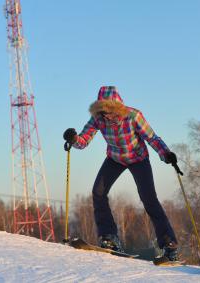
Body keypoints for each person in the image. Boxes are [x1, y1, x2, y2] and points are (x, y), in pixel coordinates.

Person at [63, 86, 178, 261]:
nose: (107, 116)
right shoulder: (97, 119)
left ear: (117, 108)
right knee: (98, 192)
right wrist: (74, 140)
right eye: (103, 112)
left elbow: (152, 138)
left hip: (138, 158)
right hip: (115, 158)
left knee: (148, 198)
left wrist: (166, 154)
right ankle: (109, 237)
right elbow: (83, 140)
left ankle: (169, 244)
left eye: (110, 112)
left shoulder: (133, 116)